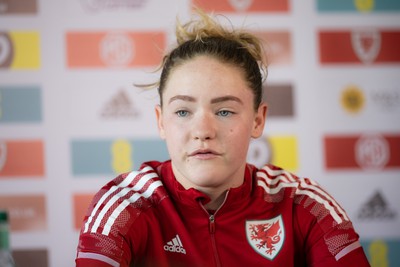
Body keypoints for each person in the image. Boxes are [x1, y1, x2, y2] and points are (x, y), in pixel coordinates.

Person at [75, 10, 370, 267]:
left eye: (225, 111)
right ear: (160, 121)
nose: (203, 130)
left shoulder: (303, 204)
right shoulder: (125, 207)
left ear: (258, 120)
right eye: (182, 111)